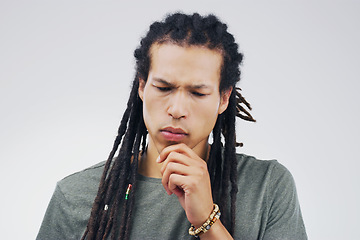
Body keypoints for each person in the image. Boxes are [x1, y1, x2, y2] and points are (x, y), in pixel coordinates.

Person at [37, 12, 307, 240]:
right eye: (164, 88)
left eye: (198, 93)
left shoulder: (267, 186)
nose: (177, 110)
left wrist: (207, 221)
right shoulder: (74, 195)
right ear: (142, 86)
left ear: (224, 97)